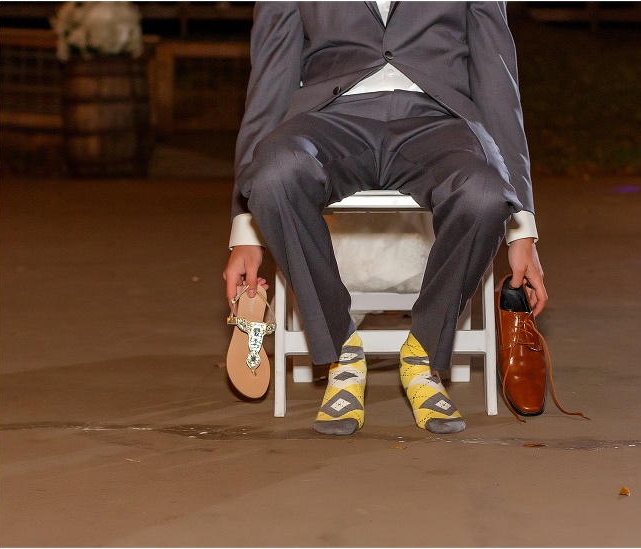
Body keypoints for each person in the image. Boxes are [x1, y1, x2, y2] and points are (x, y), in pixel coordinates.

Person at [223, 1, 547, 436]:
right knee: (275, 173)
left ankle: (424, 354)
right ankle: (342, 351)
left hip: (438, 119)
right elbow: (268, 88)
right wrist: (245, 229)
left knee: (486, 193)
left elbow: (498, 85)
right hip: (331, 117)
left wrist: (522, 227)